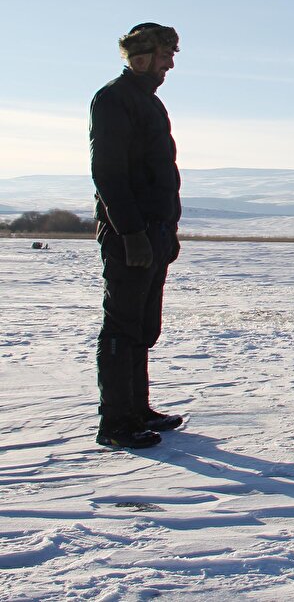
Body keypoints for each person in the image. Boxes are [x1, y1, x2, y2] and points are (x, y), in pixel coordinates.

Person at [90, 23, 185, 449]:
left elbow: (161, 175)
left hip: (155, 231)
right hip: (131, 233)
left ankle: (138, 408)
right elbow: (108, 174)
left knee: (144, 325)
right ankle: (115, 422)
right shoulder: (113, 99)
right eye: (166, 55)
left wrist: (168, 230)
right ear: (142, 57)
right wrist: (130, 232)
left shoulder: (150, 103)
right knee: (122, 326)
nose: (170, 64)